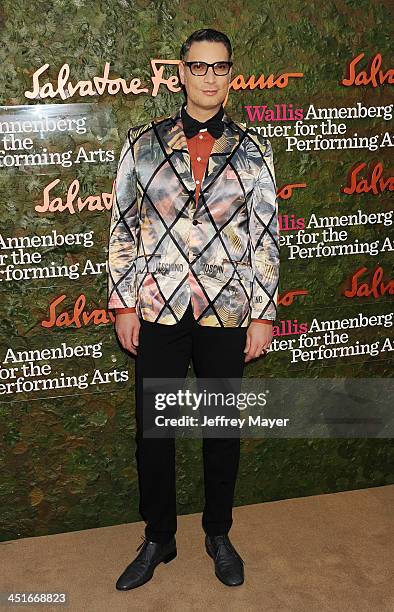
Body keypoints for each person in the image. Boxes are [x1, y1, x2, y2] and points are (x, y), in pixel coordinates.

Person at [107, 28, 280, 590]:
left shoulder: (254, 150)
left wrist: (263, 312)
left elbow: (265, 236)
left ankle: (219, 532)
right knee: (154, 432)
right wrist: (123, 302)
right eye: (198, 66)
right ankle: (158, 538)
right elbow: (124, 227)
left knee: (221, 427)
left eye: (219, 67)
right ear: (180, 72)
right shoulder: (144, 142)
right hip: (157, 306)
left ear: (231, 75)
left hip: (227, 309)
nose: (209, 76)